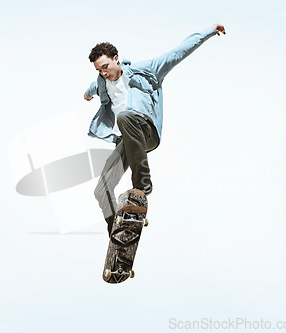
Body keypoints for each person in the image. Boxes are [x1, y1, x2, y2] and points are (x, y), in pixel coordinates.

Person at [84, 23, 226, 236]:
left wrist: (209, 31)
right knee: (101, 189)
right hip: (129, 138)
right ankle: (119, 233)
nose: (104, 73)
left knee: (124, 117)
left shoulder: (146, 68)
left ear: (116, 58)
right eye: (99, 70)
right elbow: (95, 86)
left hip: (146, 131)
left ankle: (141, 188)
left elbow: (178, 53)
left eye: (106, 66)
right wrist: (88, 93)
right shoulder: (102, 82)